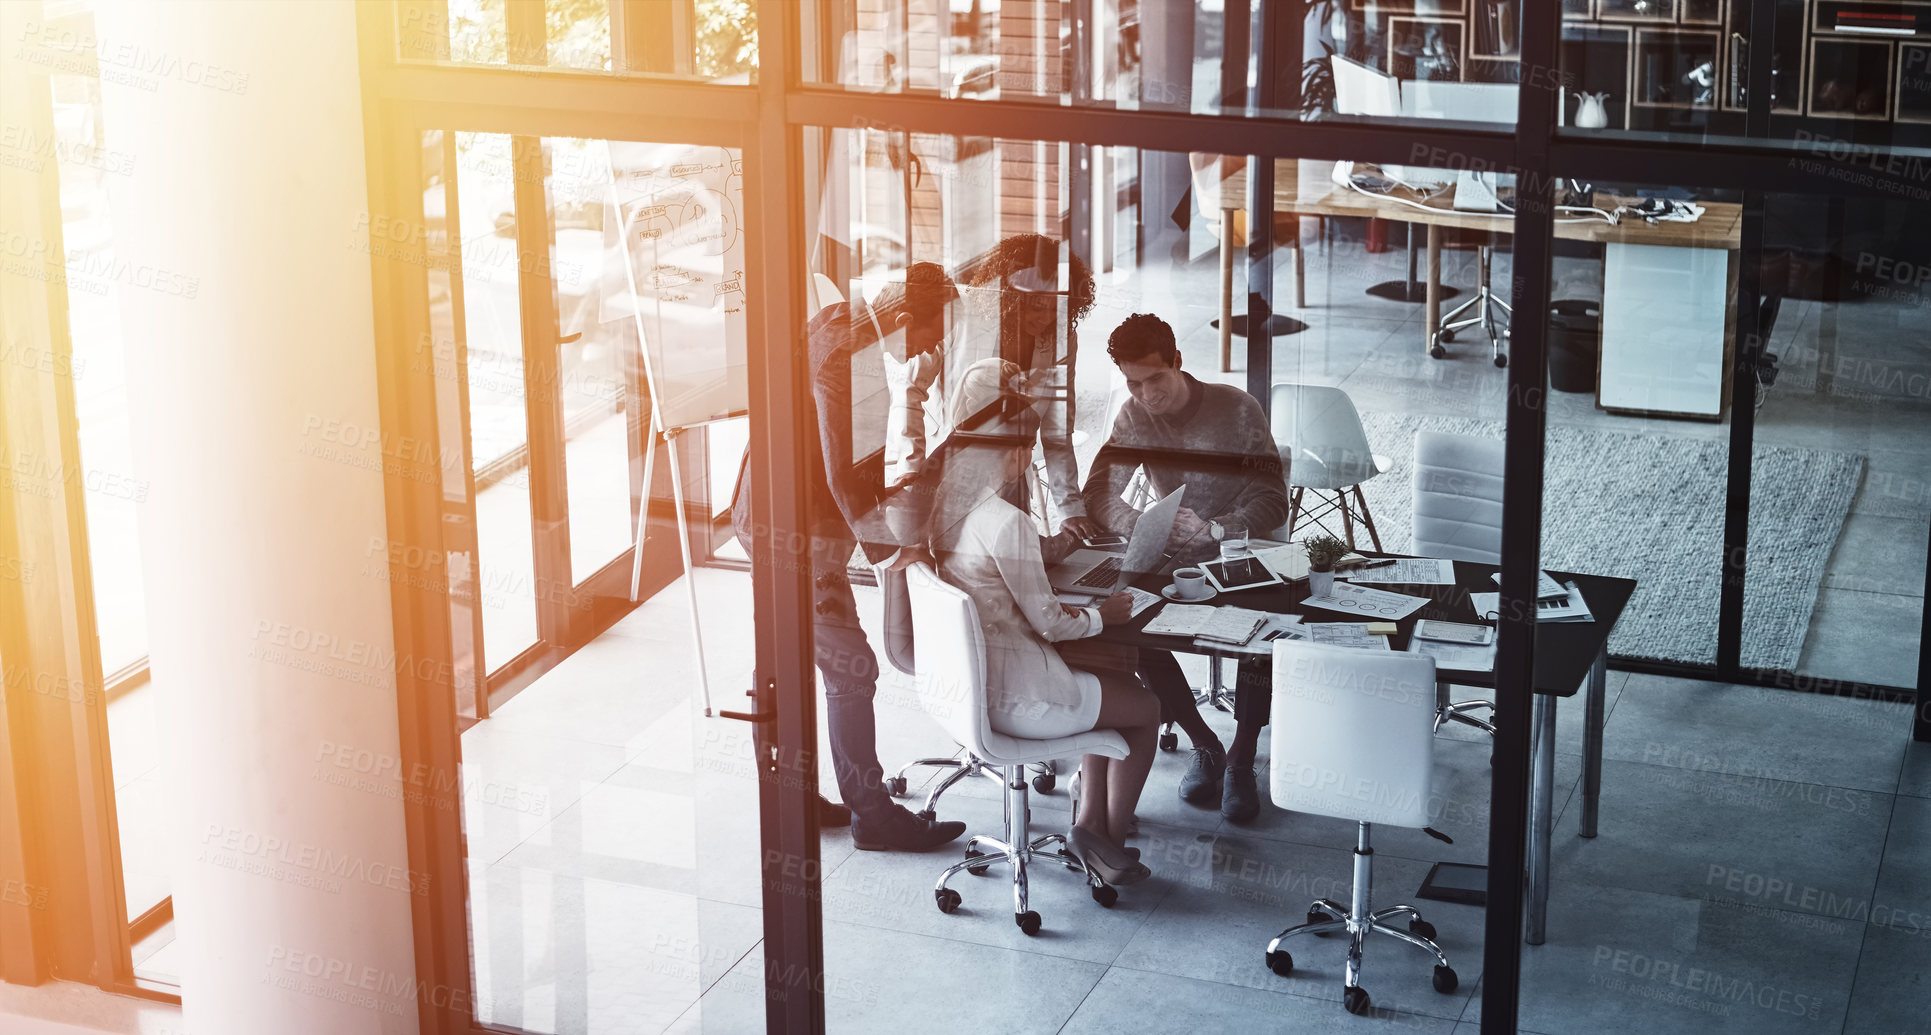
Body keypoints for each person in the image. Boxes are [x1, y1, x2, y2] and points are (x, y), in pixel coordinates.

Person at [730, 262, 967, 852]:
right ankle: (872, 817)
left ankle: (791, 802)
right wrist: (889, 552)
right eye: (932, 335)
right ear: (905, 318)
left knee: (787, 659)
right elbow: (840, 472)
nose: (934, 349)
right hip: (789, 533)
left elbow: (848, 455)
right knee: (852, 668)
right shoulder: (847, 355)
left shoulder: (843, 320)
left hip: (767, 512)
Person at [930, 359, 1160, 884]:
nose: (1031, 456)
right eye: (1028, 446)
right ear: (1008, 448)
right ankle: (1108, 843)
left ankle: (1089, 827)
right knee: (1145, 708)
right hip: (1020, 698)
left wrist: (1042, 557)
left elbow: (998, 577)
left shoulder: (946, 503)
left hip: (973, 684)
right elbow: (1052, 624)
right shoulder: (1005, 521)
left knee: (1117, 679)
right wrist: (1104, 614)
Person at [1084, 313, 1291, 823]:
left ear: (1177, 361)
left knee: (1258, 640)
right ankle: (1204, 743)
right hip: (1173, 557)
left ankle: (1242, 756)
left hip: (1236, 552)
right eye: (1133, 383)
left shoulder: (1238, 408)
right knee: (1130, 628)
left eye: (1155, 379)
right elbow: (1098, 492)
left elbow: (1273, 498)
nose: (1146, 394)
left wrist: (1218, 526)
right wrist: (1140, 522)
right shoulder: (1134, 415)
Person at [954, 234, 1103, 541]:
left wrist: (1070, 507)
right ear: (1012, 297)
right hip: (953, 459)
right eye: (1038, 306)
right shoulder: (963, 315)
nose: (1047, 318)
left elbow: (1058, 427)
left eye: (1055, 309)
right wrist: (910, 463)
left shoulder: (1061, 338)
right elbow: (911, 388)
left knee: (1013, 549)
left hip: (1012, 464)